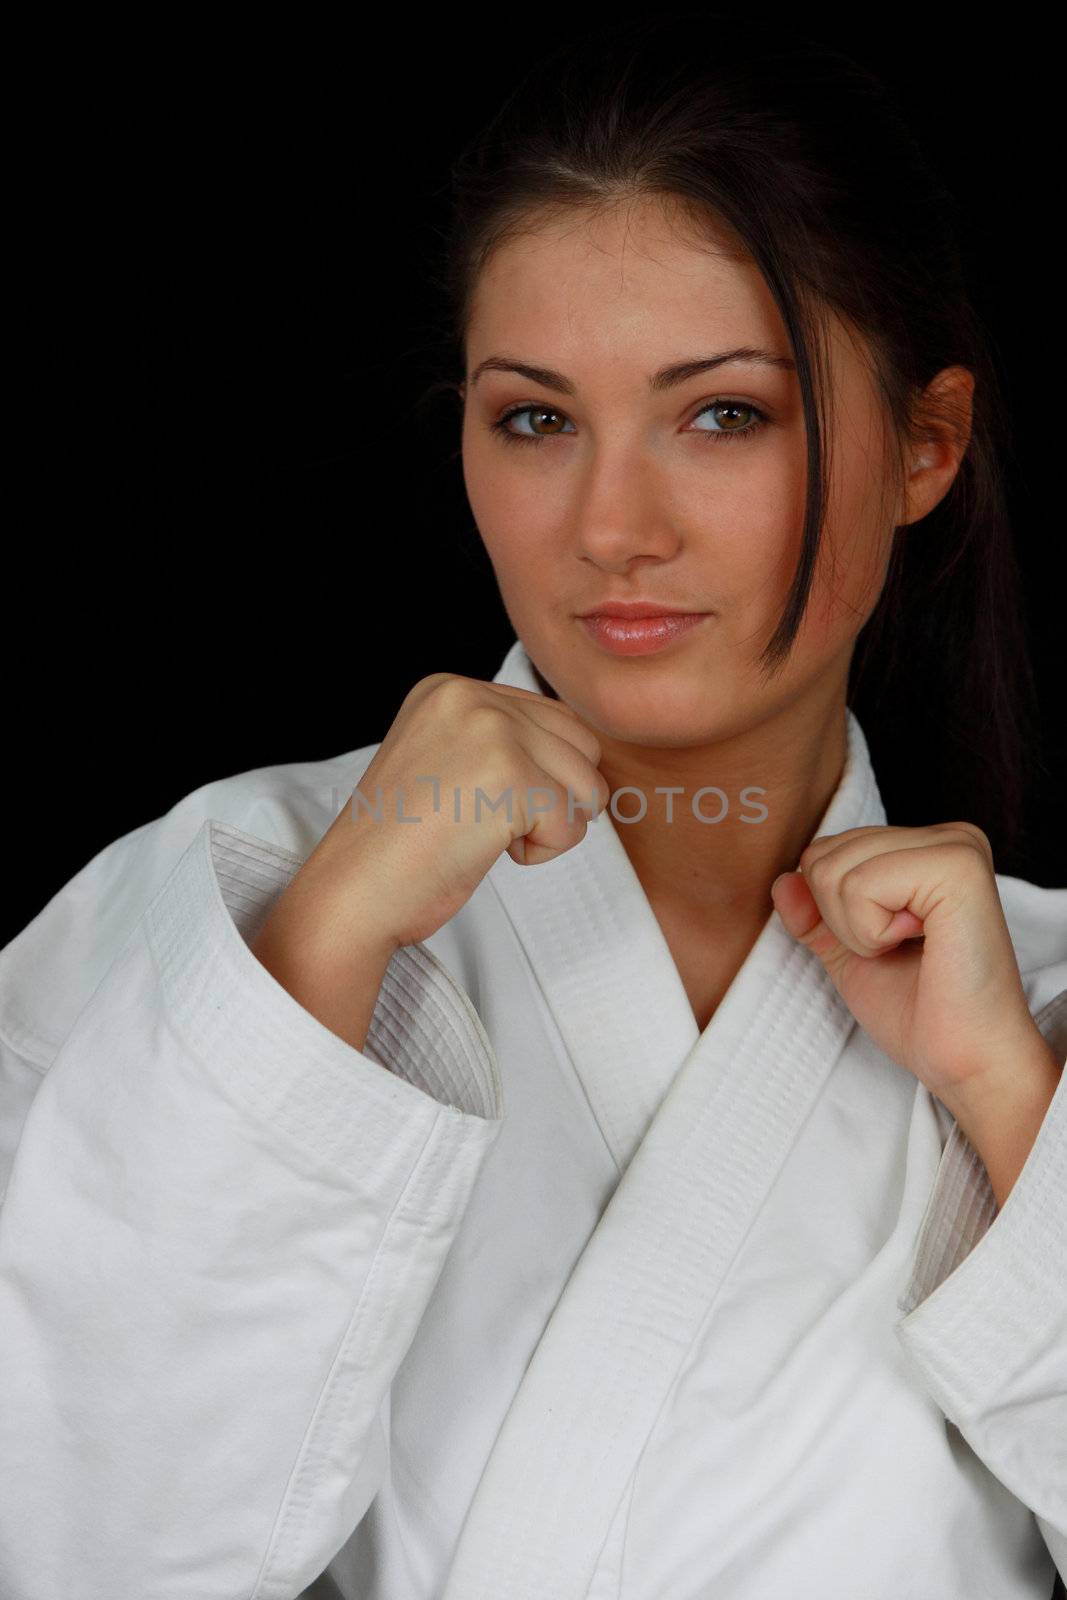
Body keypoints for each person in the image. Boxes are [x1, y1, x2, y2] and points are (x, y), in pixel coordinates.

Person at [1, 17, 1064, 1600]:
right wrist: (328, 936)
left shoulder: (1038, 1005)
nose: (610, 527)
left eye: (723, 415)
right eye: (538, 420)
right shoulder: (233, 900)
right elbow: (79, 1538)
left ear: (925, 445)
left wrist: (1012, 1101)